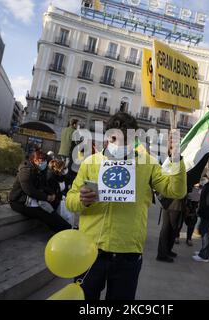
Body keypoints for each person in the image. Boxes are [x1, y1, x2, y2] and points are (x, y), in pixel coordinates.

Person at [66, 112, 187, 300]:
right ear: (107, 137)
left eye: (126, 139)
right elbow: (70, 200)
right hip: (90, 250)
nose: (119, 144)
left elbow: (175, 191)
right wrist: (82, 200)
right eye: (115, 138)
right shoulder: (90, 163)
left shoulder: (148, 164)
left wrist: (176, 159)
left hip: (128, 253)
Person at [9, 150, 72, 232]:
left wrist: (51, 193)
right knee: (43, 212)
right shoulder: (26, 171)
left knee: (51, 208)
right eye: (42, 160)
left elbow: (43, 185)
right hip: (19, 201)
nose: (44, 163)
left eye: (45, 160)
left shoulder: (39, 170)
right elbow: (29, 190)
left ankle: (66, 227)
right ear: (35, 160)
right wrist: (46, 197)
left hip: (32, 199)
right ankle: (65, 229)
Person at [157, 198, 184, 262]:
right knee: (170, 229)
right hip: (174, 204)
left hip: (167, 203)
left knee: (167, 229)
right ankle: (163, 254)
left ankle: (165, 252)